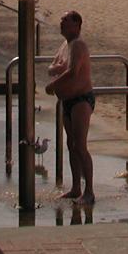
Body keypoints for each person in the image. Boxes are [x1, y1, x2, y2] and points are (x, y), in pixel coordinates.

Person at [46, 11, 94, 203]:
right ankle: (76, 187)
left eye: (65, 20)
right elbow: (51, 67)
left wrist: (53, 84)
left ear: (77, 25)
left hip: (81, 99)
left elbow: (73, 72)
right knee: (71, 145)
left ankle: (89, 191)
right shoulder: (66, 45)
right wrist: (58, 69)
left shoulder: (78, 45)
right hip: (67, 100)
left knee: (80, 145)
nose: (62, 23)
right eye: (61, 20)